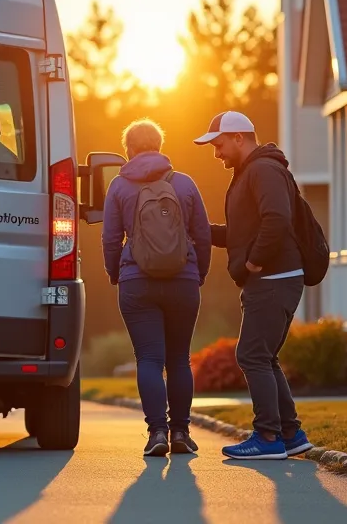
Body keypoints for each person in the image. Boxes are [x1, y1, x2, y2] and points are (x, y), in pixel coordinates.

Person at [193, 110, 314, 460]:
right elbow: (242, 233)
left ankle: (267, 437)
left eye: (218, 145)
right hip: (276, 278)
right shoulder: (254, 170)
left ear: (239, 138)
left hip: (273, 278)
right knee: (265, 357)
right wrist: (202, 230)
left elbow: (276, 218)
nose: (216, 153)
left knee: (251, 355)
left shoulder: (262, 169)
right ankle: (289, 434)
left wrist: (254, 261)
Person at [102, 118, 211, 457]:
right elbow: (203, 235)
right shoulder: (185, 183)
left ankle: (157, 434)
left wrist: (115, 273)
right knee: (179, 359)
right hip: (183, 281)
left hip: (137, 283)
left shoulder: (119, 187)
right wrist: (197, 273)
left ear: (128, 151)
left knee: (148, 359)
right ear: (160, 148)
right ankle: (180, 431)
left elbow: (110, 238)